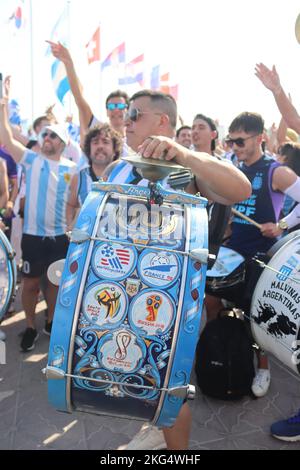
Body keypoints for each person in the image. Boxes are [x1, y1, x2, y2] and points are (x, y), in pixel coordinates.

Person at [104, 89, 251, 450]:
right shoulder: (119, 167)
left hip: (169, 301)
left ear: (162, 122)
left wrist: (186, 153)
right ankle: (153, 430)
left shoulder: (187, 168)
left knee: (171, 389)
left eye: (135, 114)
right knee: (137, 376)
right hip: (122, 295)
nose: (126, 120)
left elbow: (240, 188)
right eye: (125, 113)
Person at [205, 111, 300, 399]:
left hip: (260, 256)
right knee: (211, 299)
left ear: (259, 138)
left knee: (256, 316)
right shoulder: (233, 167)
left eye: (240, 141)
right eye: (230, 141)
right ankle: (216, 348)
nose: (234, 147)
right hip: (231, 251)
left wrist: (282, 224)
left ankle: (263, 366)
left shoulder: (276, 172)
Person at [0, 98, 77, 352]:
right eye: (46, 134)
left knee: (54, 282)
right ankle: (31, 326)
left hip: (59, 237)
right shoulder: (31, 159)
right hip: (32, 236)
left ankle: (51, 321)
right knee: (31, 284)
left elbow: (75, 202)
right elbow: (8, 138)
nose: (48, 138)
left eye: (54, 136)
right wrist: (3, 106)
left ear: (63, 144)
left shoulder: (72, 168)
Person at [47, 41, 129, 141]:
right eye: (111, 106)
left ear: (127, 110)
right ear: (107, 111)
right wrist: (68, 62)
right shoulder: (99, 133)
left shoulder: (136, 142)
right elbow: (79, 99)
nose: (116, 110)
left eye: (120, 106)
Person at [66, 123, 122, 230]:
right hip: (85, 243)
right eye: (95, 142)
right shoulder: (79, 178)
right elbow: (71, 205)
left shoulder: (124, 176)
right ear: (89, 149)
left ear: (115, 150)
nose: (100, 146)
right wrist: (70, 225)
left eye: (105, 142)